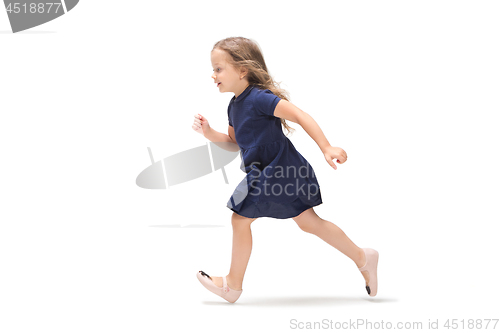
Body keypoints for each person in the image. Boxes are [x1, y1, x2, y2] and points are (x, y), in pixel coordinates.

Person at [192, 37, 379, 303]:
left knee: (240, 219)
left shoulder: (260, 99)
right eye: (213, 69)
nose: (213, 75)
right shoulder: (234, 106)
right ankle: (363, 257)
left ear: (242, 70)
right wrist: (210, 133)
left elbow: (300, 115)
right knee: (309, 223)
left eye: (219, 69)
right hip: (267, 172)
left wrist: (326, 147)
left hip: (281, 170)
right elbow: (234, 143)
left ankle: (233, 286)